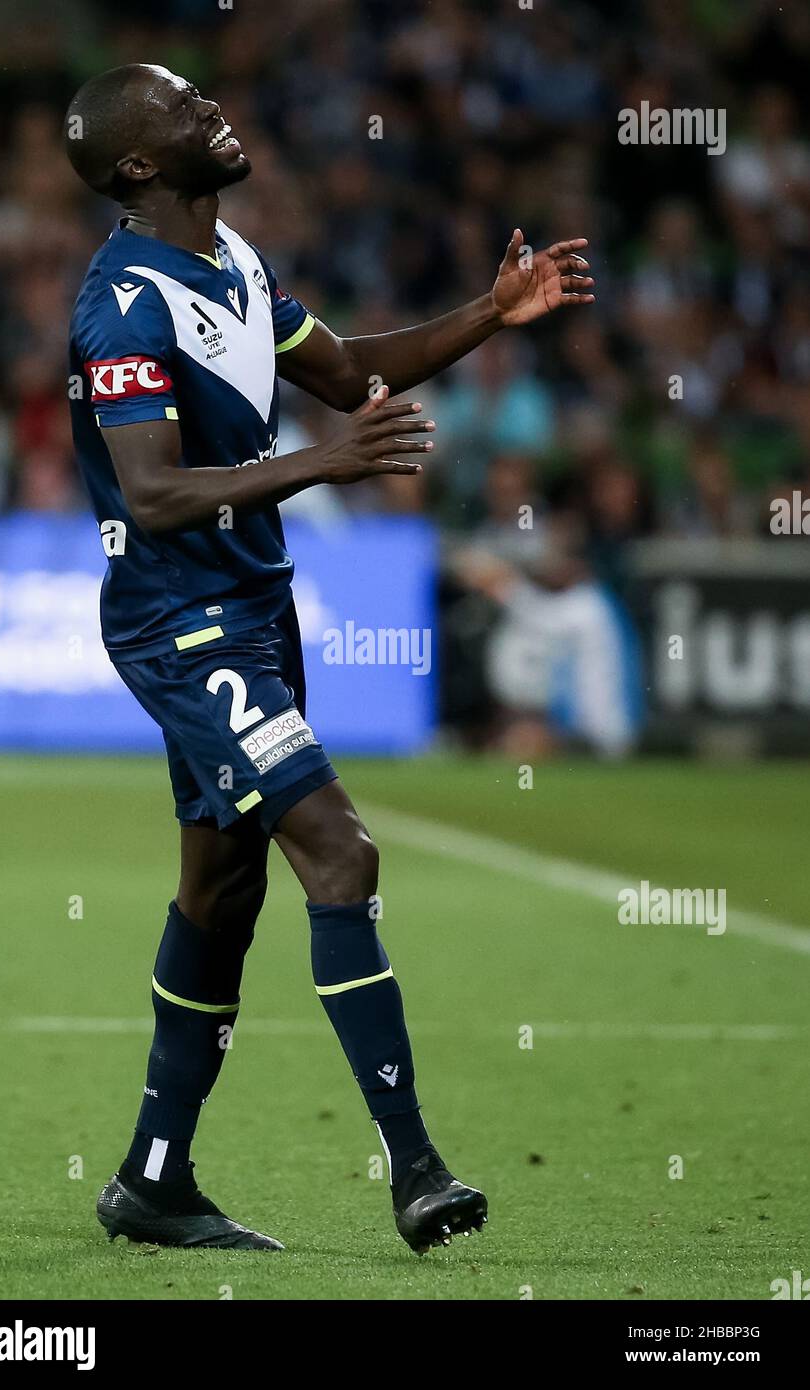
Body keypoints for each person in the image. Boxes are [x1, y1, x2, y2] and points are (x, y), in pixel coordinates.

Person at [65, 63, 595, 1254]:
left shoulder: (234, 263)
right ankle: (414, 1169)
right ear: (138, 166)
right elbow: (150, 495)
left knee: (222, 889)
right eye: (181, 108)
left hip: (253, 606)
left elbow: (348, 368)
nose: (211, 107)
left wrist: (483, 312)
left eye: (202, 94)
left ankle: (152, 1181)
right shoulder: (121, 304)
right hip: (180, 621)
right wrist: (325, 463)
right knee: (338, 850)